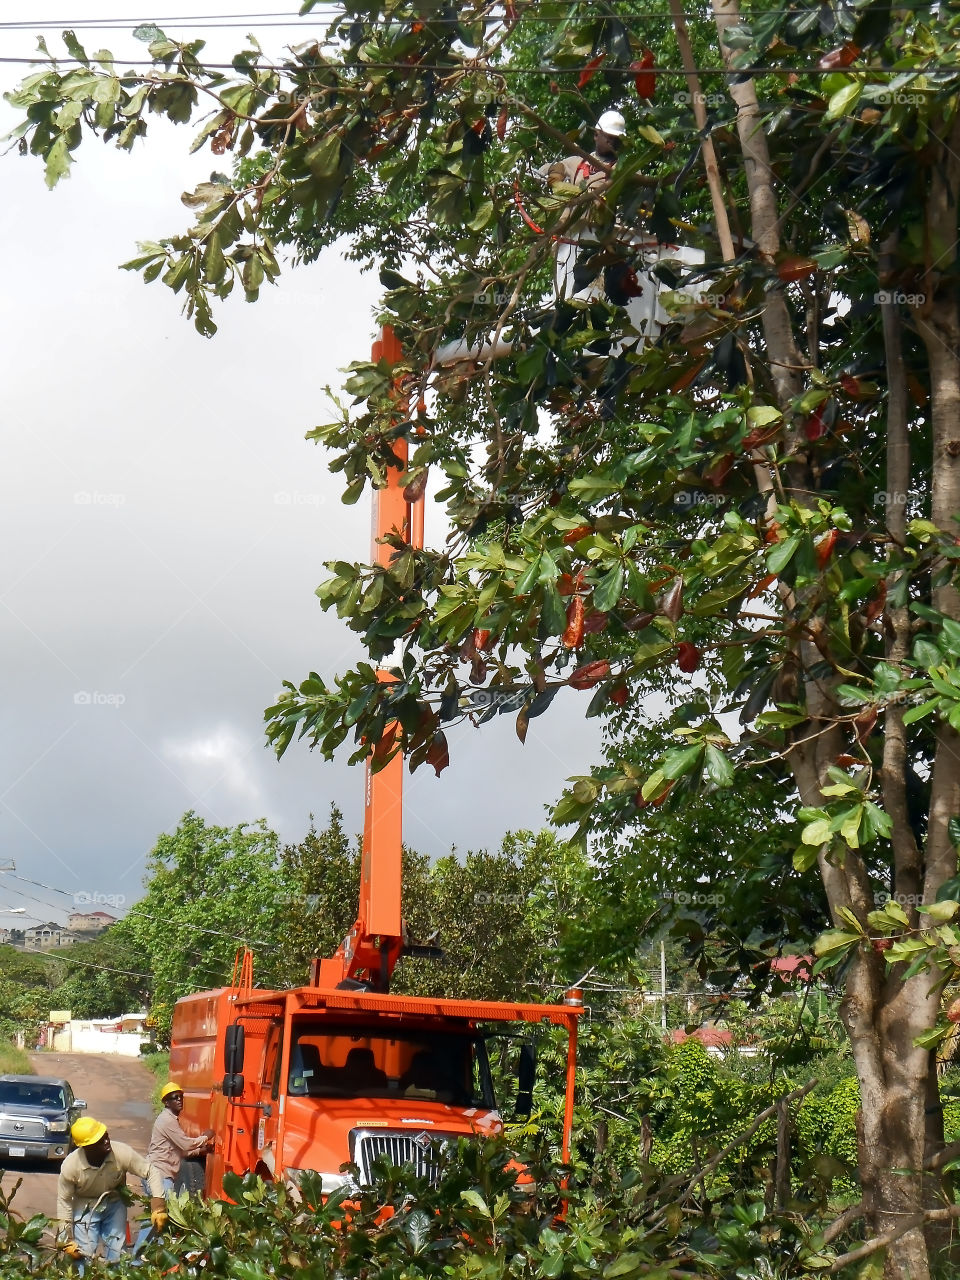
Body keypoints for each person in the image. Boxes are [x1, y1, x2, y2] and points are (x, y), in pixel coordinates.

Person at [56, 1116, 166, 1262]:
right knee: (82, 1253)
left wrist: (158, 1207)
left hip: (114, 1202)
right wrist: (66, 1237)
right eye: (100, 1141)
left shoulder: (121, 1152)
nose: (107, 1141)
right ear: (86, 1147)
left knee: (117, 1253)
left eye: (106, 1136)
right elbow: (64, 1201)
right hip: (85, 1207)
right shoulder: (71, 1166)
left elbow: (151, 1171)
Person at [147, 1082, 214, 1192]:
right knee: (163, 1209)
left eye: (180, 1096)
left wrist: (200, 1151)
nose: (179, 1100)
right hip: (160, 1177)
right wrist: (206, 1137)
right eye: (175, 1097)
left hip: (159, 1175)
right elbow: (186, 1144)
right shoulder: (167, 1120)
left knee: (161, 1209)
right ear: (166, 1102)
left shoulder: (170, 1118)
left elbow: (178, 1151)